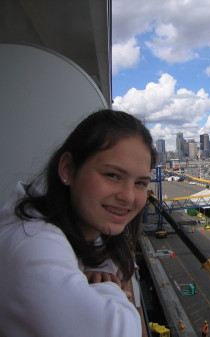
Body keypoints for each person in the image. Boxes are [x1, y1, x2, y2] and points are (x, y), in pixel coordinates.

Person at [0, 109, 156, 337]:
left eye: (140, 182)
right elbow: (116, 331)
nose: (129, 197)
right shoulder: (31, 242)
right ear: (68, 169)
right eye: (112, 175)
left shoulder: (87, 237)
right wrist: (114, 291)